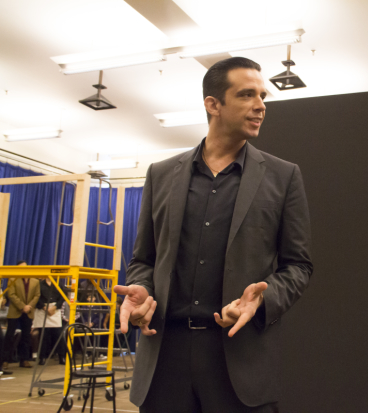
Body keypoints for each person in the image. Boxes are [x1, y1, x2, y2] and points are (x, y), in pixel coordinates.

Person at [113, 56, 313, 413]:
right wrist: (142, 288)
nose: (260, 106)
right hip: (164, 359)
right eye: (247, 95)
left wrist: (263, 301)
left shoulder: (283, 177)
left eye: (263, 96)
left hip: (238, 359)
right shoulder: (161, 174)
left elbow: (298, 266)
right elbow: (143, 258)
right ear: (213, 104)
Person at [2, 260, 40, 369]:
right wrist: (22, 306)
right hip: (15, 310)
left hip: (28, 312)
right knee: (9, 335)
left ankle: (24, 360)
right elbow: (11, 294)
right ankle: (5, 360)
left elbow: (37, 295)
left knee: (26, 336)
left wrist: (29, 307)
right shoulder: (13, 279)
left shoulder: (35, 281)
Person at [34, 277, 66, 365]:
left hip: (55, 310)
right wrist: (45, 308)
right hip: (43, 309)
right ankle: (42, 358)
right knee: (43, 336)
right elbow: (36, 297)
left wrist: (55, 307)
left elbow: (62, 296)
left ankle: (62, 357)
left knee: (59, 335)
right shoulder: (39, 284)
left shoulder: (58, 284)